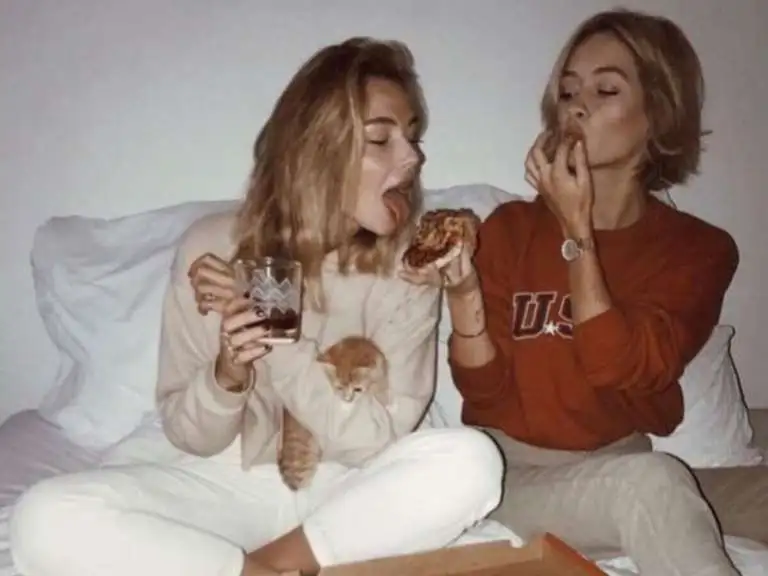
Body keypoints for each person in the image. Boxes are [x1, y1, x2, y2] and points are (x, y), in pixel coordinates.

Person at [9, 38, 503, 576]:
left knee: (471, 461)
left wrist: (275, 341)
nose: (412, 158)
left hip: (346, 491)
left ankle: (259, 567)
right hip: (222, 482)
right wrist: (229, 371)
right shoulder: (213, 247)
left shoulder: (410, 267)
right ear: (316, 147)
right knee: (43, 519)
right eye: (381, 139)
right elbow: (189, 434)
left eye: (412, 137)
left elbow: (375, 442)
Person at [402, 8, 768, 576]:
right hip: (518, 479)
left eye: (605, 90)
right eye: (569, 91)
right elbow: (484, 395)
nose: (576, 107)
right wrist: (464, 293)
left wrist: (578, 235)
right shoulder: (510, 230)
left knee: (662, 484)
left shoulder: (698, 250)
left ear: (657, 114)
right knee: (652, 485)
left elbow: (626, 367)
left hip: (622, 465)